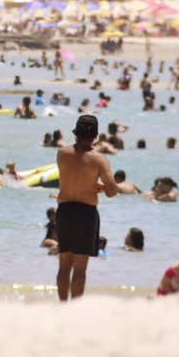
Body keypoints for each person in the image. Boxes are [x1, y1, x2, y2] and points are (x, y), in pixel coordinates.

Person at [55, 114, 118, 301]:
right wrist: (100, 187)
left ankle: (62, 306)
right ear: (96, 136)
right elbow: (112, 191)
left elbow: (72, 176)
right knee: (80, 267)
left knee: (64, 265)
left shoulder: (62, 154)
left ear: (75, 133)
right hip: (85, 213)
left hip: (64, 210)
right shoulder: (99, 159)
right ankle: (75, 308)